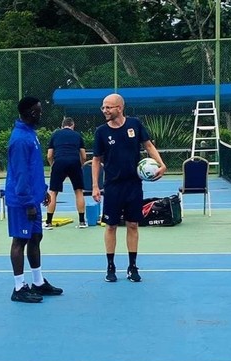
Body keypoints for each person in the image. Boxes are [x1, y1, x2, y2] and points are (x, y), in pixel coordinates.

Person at [92, 93, 167, 283]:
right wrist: (95, 185)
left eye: (108, 107)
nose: (105, 111)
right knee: (111, 226)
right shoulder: (101, 131)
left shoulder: (135, 124)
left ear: (120, 108)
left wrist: (162, 164)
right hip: (112, 186)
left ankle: (132, 267)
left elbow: (148, 146)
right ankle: (110, 266)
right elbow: (96, 160)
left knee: (133, 225)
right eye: (103, 107)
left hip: (134, 185)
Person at [5, 96, 64, 303]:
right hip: (22, 201)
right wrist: (29, 202)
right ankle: (19, 287)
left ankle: (38, 282)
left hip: (33, 197)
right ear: (30, 113)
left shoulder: (30, 134)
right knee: (20, 241)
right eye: (38, 111)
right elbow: (21, 174)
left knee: (36, 238)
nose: (41, 113)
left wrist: (43, 191)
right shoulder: (20, 139)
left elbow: (33, 170)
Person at [44, 117, 87, 229]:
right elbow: (83, 156)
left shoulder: (55, 135)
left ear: (62, 125)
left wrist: (52, 165)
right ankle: (82, 222)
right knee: (78, 191)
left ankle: (48, 222)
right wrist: (80, 165)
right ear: (72, 125)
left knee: (53, 192)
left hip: (59, 162)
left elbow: (49, 155)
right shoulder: (77, 135)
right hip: (74, 162)